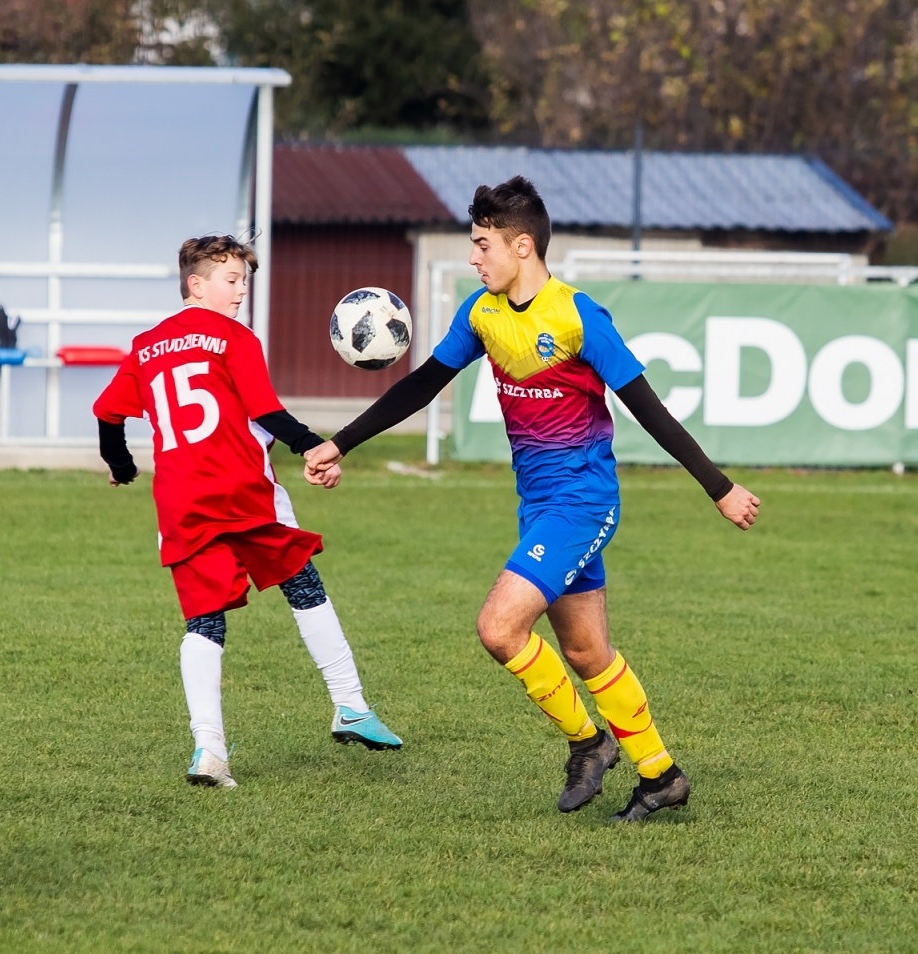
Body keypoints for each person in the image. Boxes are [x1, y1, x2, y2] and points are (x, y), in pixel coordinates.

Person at [304, 177, 761, 822]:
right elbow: (423, 386)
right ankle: (661, 775)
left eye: (482, 244)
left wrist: (720, 487)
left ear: (522, 246)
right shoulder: (481, 313)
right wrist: (342, 442)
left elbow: (648, 411)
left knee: (498, 627)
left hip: (584, 502)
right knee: (585, 652)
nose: (473, 257)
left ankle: (589, 743)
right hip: (539, 504)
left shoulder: (579, 316)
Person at [93, 235, 402, 789]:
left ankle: (209, 752)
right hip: (243, 493)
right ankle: (350, 706)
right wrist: (314, 446)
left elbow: (107, 413)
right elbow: (266, 409)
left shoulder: (145, 345)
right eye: (231, 279)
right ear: (196, 284)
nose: (240, 290)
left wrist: (120, 464)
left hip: (183, 502)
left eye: (243, 279)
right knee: (303, 583)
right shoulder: (234, 337)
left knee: (203, 620)